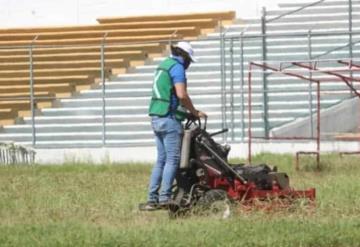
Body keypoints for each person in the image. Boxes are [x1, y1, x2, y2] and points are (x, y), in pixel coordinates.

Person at [144, 41, 207, 210]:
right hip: (169, 119)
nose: (188, 65)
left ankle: (152, 199)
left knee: (161, 160)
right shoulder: (177, 67)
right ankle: (165, 197)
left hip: (156, 117)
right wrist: (194, 111)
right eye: (189, 61)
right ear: (184, 56)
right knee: (173, 160)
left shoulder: (163, 65)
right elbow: (181, 94)